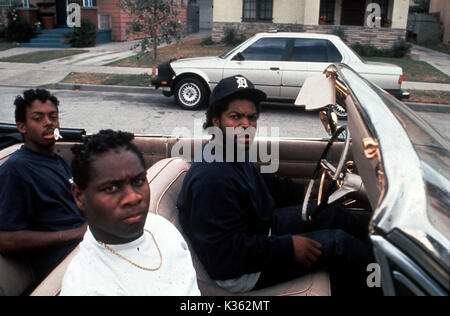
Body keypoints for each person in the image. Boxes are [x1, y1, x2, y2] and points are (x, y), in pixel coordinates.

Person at [177, 75, 379, 296]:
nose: (246, 125)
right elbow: (224, 254)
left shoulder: (230, 150)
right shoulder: (213, 177)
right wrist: (289, 247)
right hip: (239, 272)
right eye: (235, 117)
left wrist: (305, 193)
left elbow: (265, 184)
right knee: (340, 245)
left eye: (251, 117)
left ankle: (382, 262)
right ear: (216, 121)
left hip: (259, 230)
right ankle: (382, 287)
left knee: (334, 215)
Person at [60, 130, 200, 296]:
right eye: (111, 188)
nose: (133, 198)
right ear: (79, 196)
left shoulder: (160, 227)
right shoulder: (88, 287)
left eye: (138, 181)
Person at [0, 89, 87, 282]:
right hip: (63, 265)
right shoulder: (16, 170)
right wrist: (77, 233)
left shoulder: (57, 160)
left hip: (85, 247)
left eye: (53, 117)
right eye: (38, 118)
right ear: (22, 127)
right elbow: (5, 240)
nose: (49, 123)